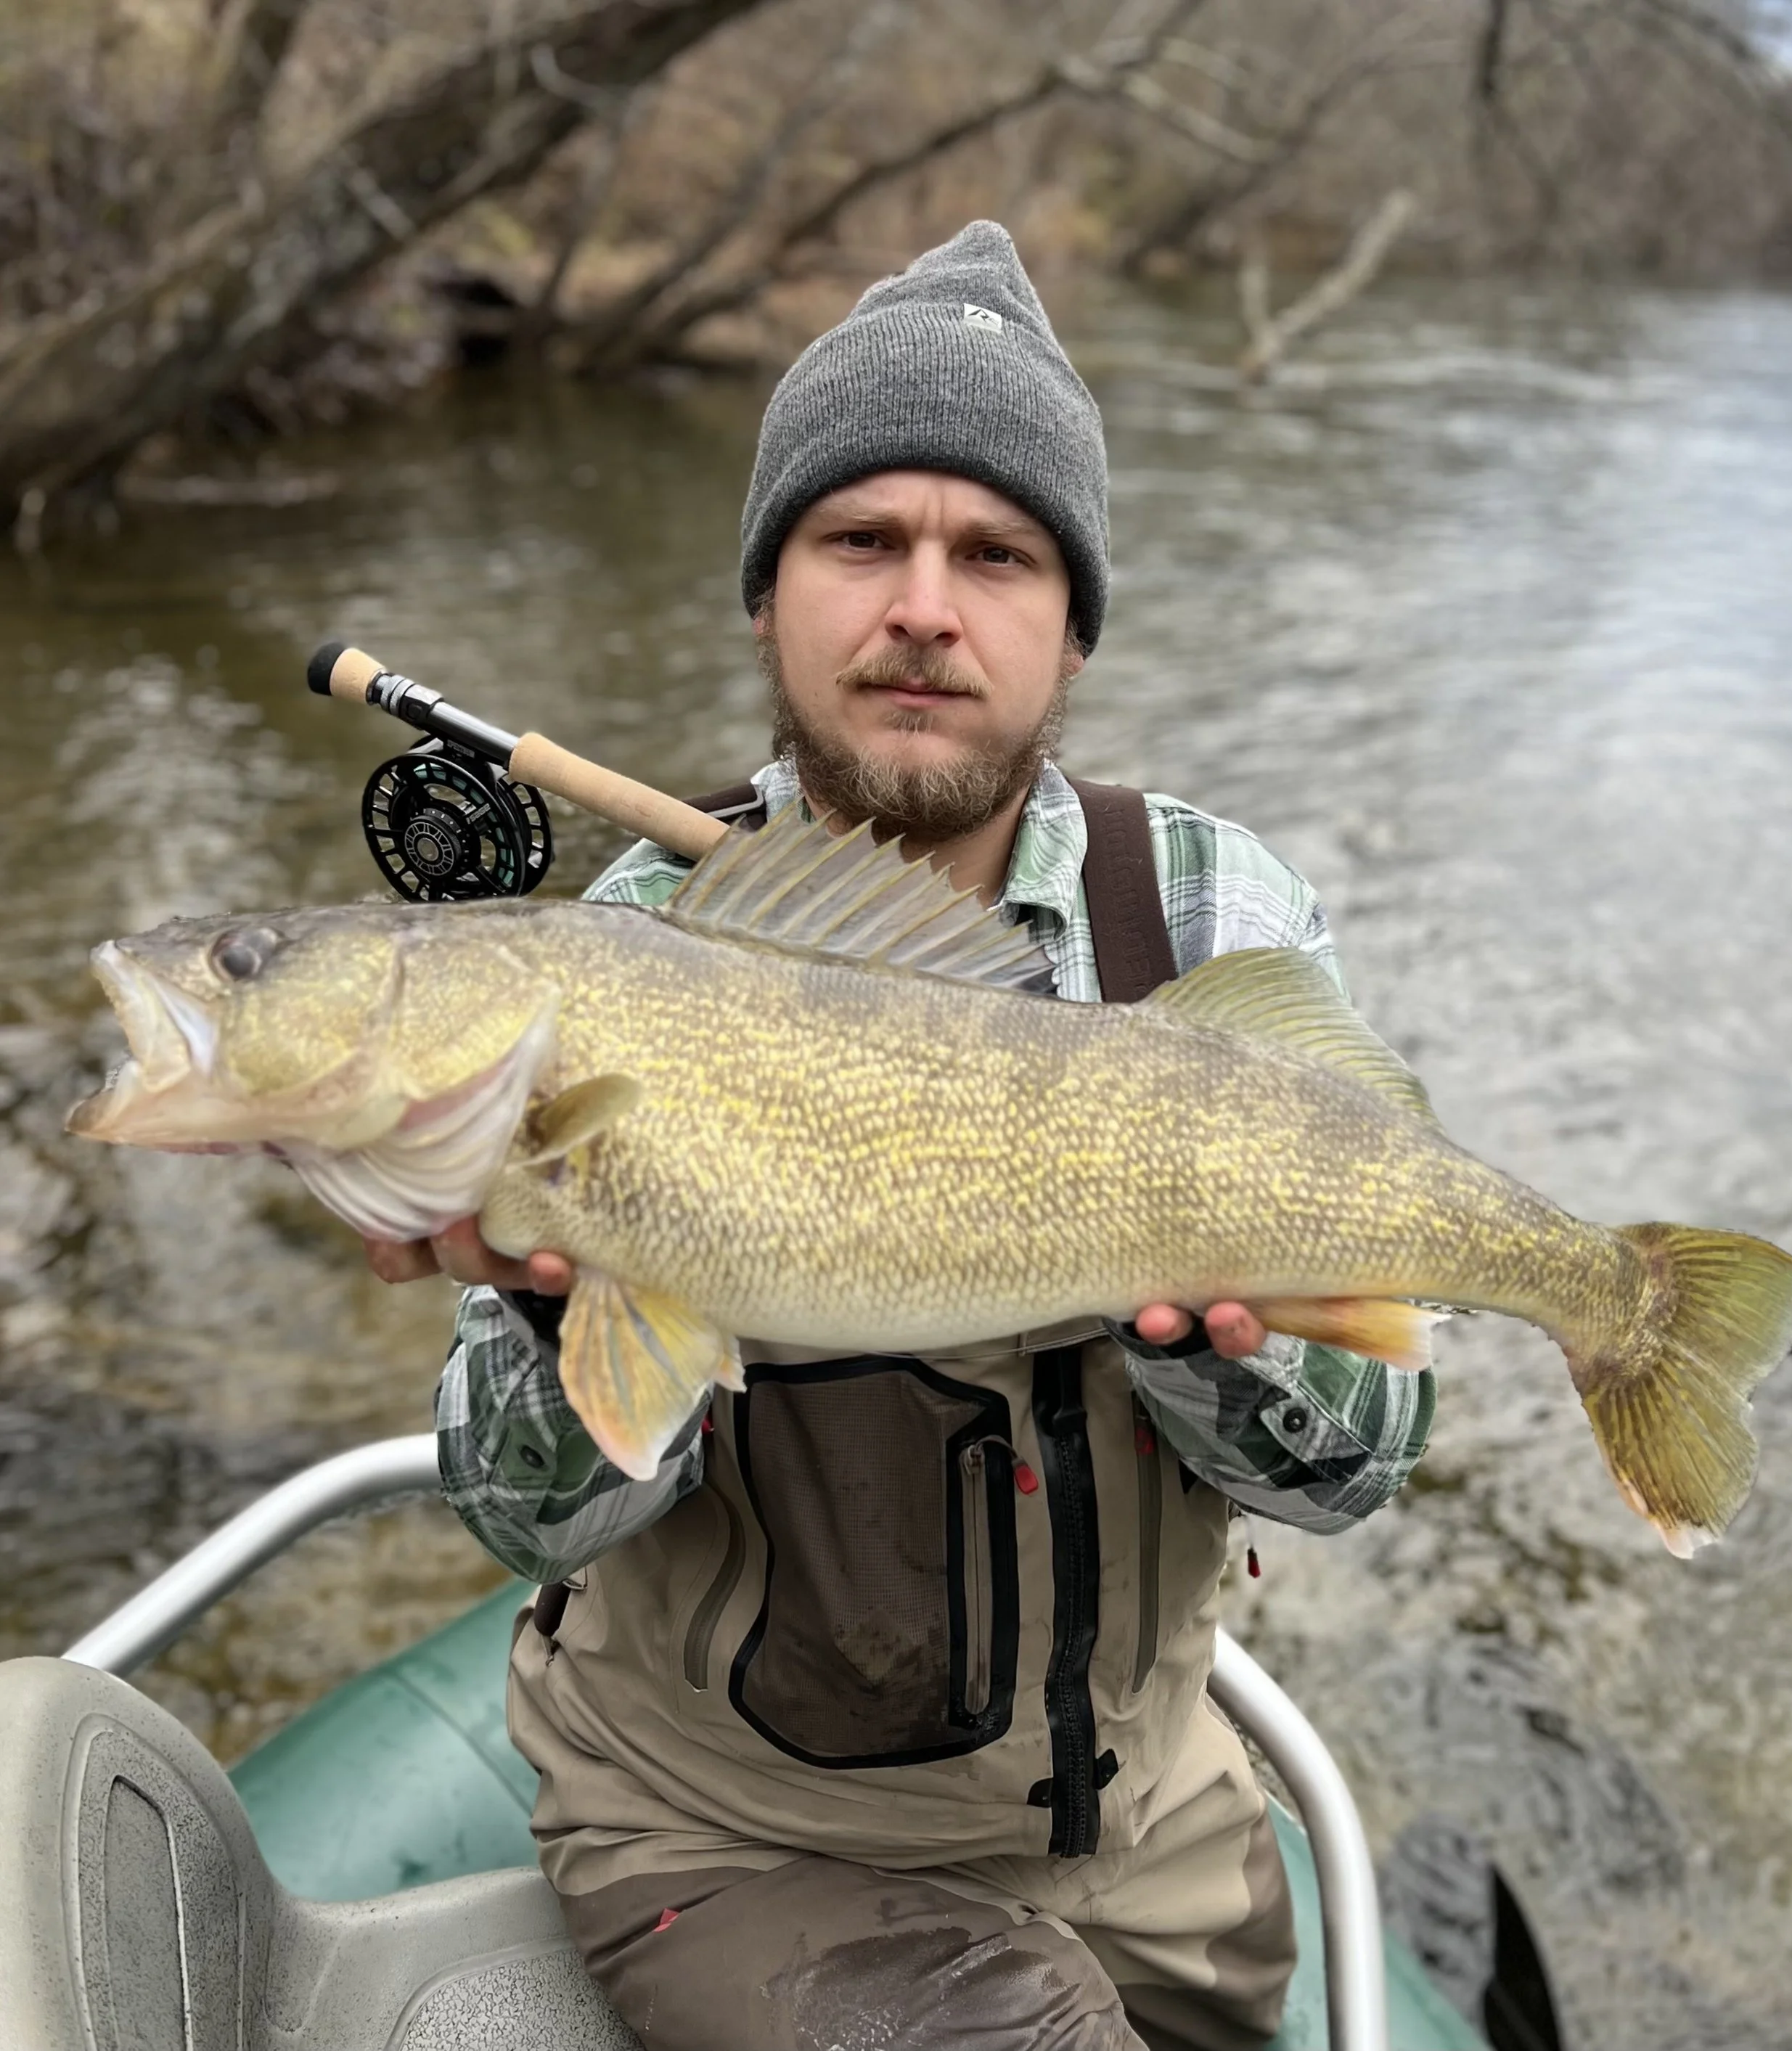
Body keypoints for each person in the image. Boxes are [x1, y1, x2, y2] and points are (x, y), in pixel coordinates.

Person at [368, 221, 1434, 2050]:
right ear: (765, 597)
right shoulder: (616, 960)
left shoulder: (1207, 915)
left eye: (995, 554)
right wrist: (565, 1306)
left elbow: (1359, 1469)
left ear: (1071, 628)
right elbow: (512, 1516)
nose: (924, 607)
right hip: (729, 1838)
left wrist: (1207, 1347)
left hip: (1154, 1841)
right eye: (859, 540)